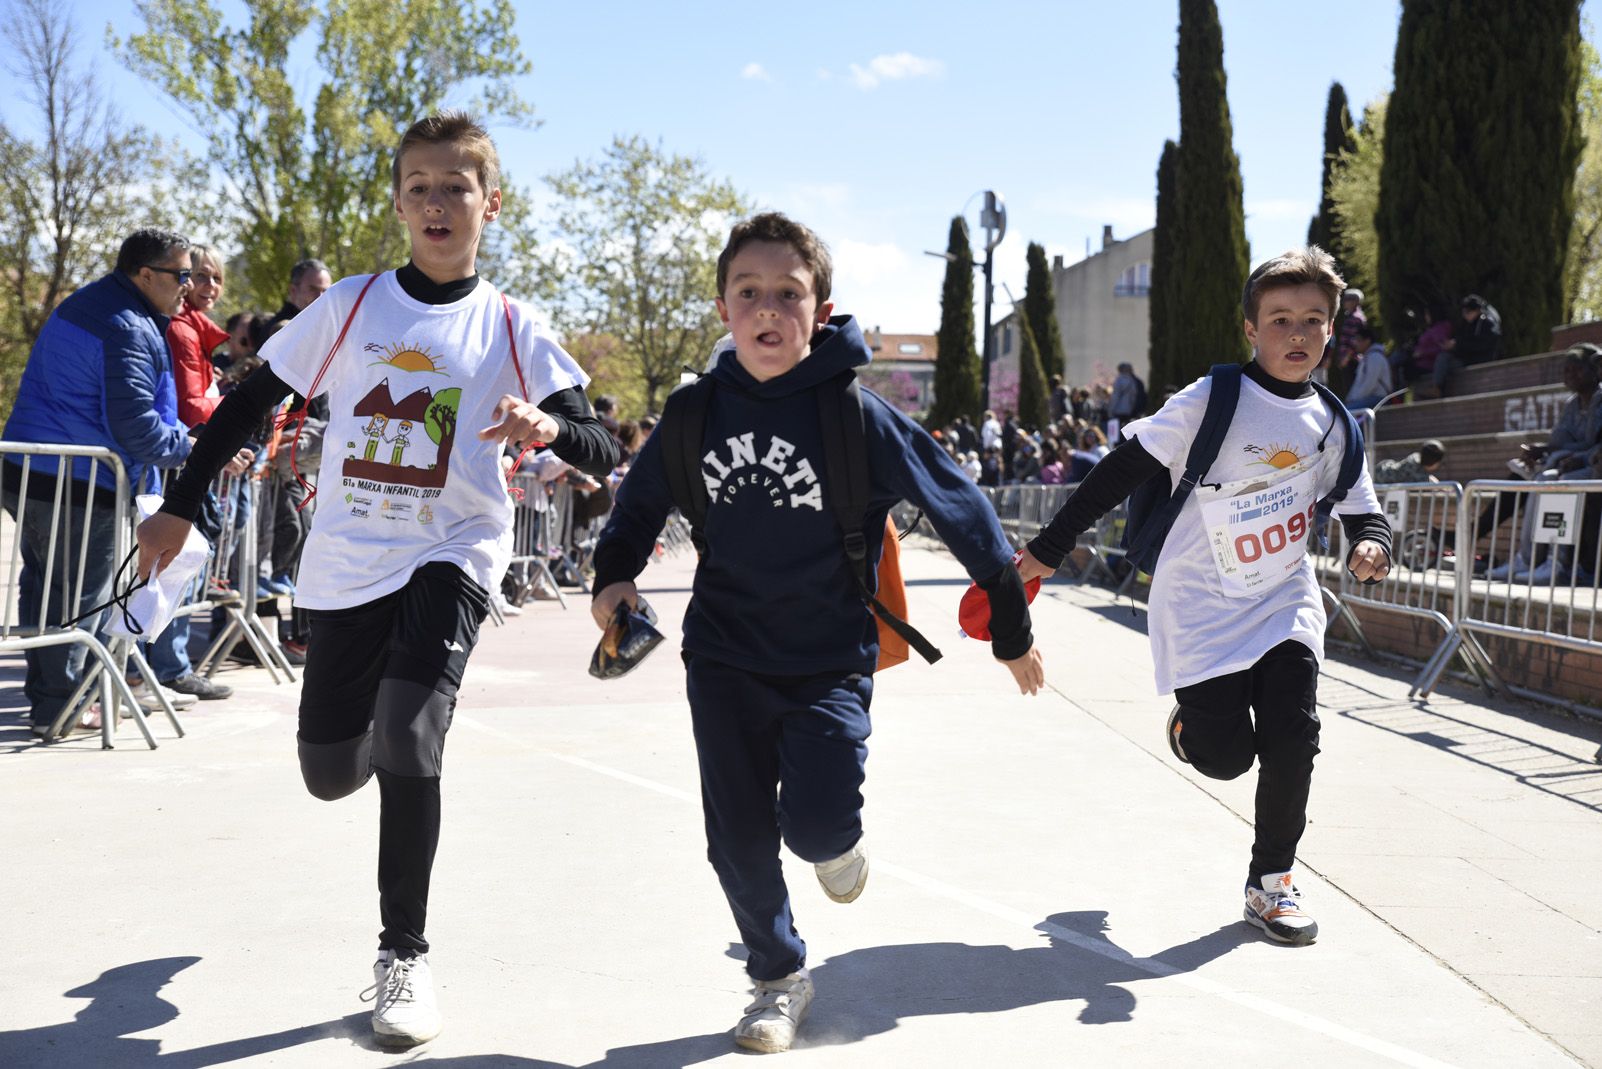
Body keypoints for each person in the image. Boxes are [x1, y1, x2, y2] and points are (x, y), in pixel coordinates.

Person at [135, 112, 619, 1047]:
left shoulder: (515, 326)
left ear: (491, 202)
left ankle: (404, 954)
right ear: (399, 202)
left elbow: (594, 437)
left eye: (457, 186)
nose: (438, 203)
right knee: (329, 772)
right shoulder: (351, 306)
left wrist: (549, 429)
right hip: (350, 560)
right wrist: (182, 503)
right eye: (420, 186)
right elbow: (250, 400)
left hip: (454, 551)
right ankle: (379, 747)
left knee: (409, 730)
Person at [589, 211, 1043, 1055]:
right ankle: (777, 975)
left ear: (821, 308)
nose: (768, 310)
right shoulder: (692, 414)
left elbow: (966, 510)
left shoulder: (854, 416)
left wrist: (1010, 625)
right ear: (724, 308)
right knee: (737, 835)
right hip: (723, 654)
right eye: (749, 293)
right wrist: (612, 584)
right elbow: (633, 516)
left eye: (787, 295)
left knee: (818, 826)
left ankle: (834, 844)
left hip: (831, 659)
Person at [1018, 246, 1392, 948]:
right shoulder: (1212, 398)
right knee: (1226, 758)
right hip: (1199, 604)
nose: (1297, 334)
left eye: (1314, 320)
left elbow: (1362, 510)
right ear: (1250, 327)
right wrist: (1046, 547)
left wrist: (1373, 545)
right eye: (1280, 319)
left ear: (1332, 330)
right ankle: (1194, 730)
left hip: (1284, 602)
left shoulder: (1335, 423)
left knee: (1295, 735)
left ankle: (1271, 883)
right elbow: (1118, 470)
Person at [2, 229, 249, 736]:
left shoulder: (98, 303)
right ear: (145, 275)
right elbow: (135, 426)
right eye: (181, 275)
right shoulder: (127, 326)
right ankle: (62, 707)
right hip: (75, 483)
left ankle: (53, 699)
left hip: (40, 474)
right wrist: (197, 449)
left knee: (48, 590)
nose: (187, 285)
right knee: (79, 599)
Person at [153, 244, 244, 702]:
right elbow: (191, 407)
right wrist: (235, 414)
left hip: (190, 456)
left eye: (217, 278)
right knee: (178, 563)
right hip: (181, 461)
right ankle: (168, 667)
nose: (209, 287)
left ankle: (170, 665)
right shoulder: (182, 331)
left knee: (183, 563)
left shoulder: (196, 331)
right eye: (200, 276)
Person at [1433, 294, 1503, 392]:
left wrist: (1457, 344)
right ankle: (1437, 389)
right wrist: (1453, 345)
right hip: (1466, 358)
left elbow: (1482, 344)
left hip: (1478, 360)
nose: (1465, 315)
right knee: (1443, 359)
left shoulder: (1486, 323)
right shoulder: (1467, 324)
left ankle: (1437, 389)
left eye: (1468, 312)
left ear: (1477, 310)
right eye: (1464, 312)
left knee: (1444, 360)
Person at [1344, 321, 1393, 412]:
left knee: (1348, 412)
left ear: (1367, 341)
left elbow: (1370, 384)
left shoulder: (1375, 357)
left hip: (1378, 398)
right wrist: (1350, 398)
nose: (1355, 343)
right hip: (1368, 398)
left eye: (1358, 340)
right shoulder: (1367, 357)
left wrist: (1353, 399)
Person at [1374, 439, 1446, 484]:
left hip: (1383, 468)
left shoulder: (1415, 458)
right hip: (1380, 477)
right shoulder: (1416, 471)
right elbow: (1430, 482)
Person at [1107, 362, 1144, 440]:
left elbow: (1115, 396)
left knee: (1117, 433)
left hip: (1118, 410)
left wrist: (1111, 410)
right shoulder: (1133, 381)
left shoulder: (1119, 380)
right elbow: (1133, 397)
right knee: (1126, 430)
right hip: (1128, 411)